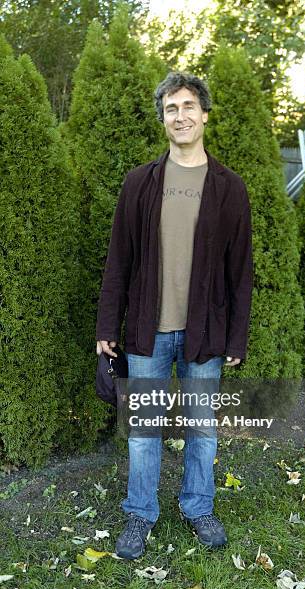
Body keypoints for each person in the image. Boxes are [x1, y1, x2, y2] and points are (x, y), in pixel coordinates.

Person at [96, 72, 253, 560]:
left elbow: (240, 270)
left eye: (188, 106)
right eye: (170, 108)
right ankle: (140, 514)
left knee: (202, 428)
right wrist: (107, 328)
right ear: (163, 119)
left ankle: (197, 506)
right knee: (145, 432)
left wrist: (236, 339)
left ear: (204, 114)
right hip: (147, 331)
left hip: (206, 333)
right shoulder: (140, 183)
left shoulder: (230, 187)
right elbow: (119, 259)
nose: (180, 115)